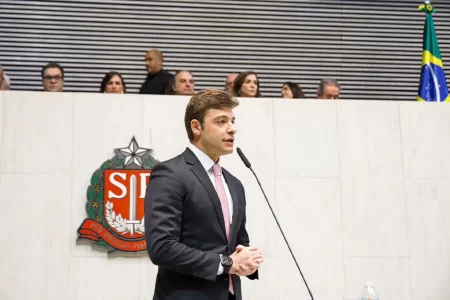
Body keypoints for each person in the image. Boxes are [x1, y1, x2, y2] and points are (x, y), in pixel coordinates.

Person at [145, 89, 263, 300]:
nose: (232, 129)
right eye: (221, 121)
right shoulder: (171, 173)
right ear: (196, 127)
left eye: (232, 121)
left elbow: (237, 244)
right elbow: (161, 247)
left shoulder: (235, 184)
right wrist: (227, 263)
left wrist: (248, 263)